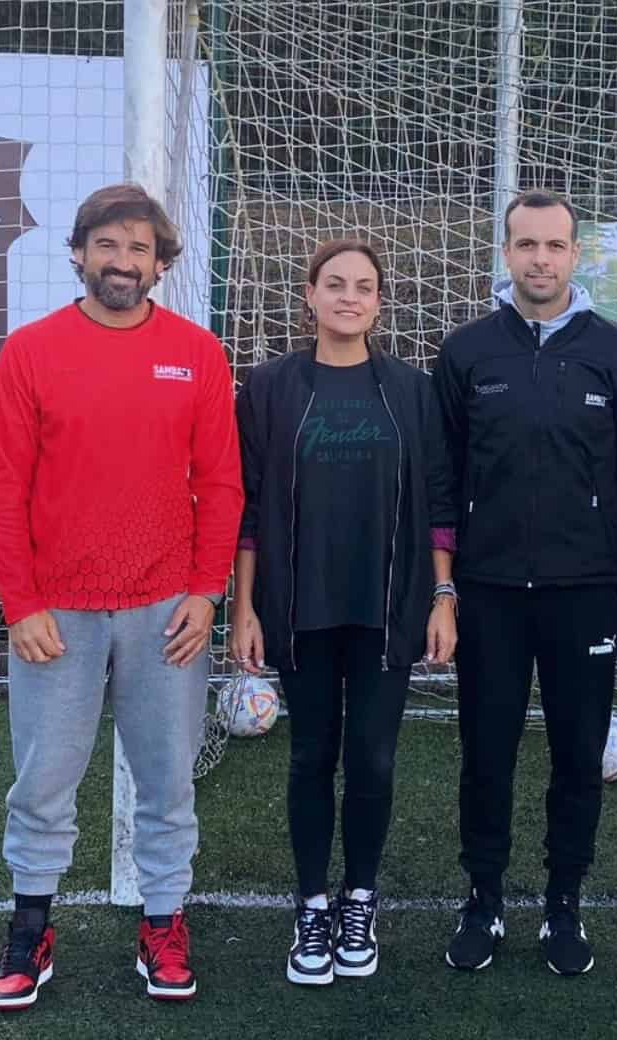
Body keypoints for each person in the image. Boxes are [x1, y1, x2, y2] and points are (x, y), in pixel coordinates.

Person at [0, 183, 243, 1011]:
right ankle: (31, 928)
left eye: (138, 248)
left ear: (161, 264)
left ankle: (163, 924)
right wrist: (20, 602)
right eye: (107, 244)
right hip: (56, 613)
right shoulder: (30, 351)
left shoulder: (198, 354)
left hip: (166, 610)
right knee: (44, 780)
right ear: (79, 252)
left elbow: (224, 484)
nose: (121, 261)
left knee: (167, 780)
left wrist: (207, 593)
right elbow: (5, 487)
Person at [434, 189, 617, 976]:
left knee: (575, 754)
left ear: (575, 254)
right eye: (525, 245)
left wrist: (588, 523)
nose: (540, 259)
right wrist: (451, 580)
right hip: (489, 588)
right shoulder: (467, 351)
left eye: (554, 246)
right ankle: (484, 899)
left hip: (583, 589)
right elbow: (446, 467)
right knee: (485, 752)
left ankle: (564, 904)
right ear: (505, 253)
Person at [228, 237, 458, 986]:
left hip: (388, 604)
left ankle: (361, 896)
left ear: (380, 302)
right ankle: (312, 905)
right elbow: (249, 508)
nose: (349, 297)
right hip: (298, 605)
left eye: (363, 286)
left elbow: (440, 504)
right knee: (309, 756)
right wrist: (244, 609)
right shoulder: (268, 388)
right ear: (310, 295)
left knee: (374, 756)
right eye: (334, 284)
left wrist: (443, 595)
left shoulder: (412, 391)